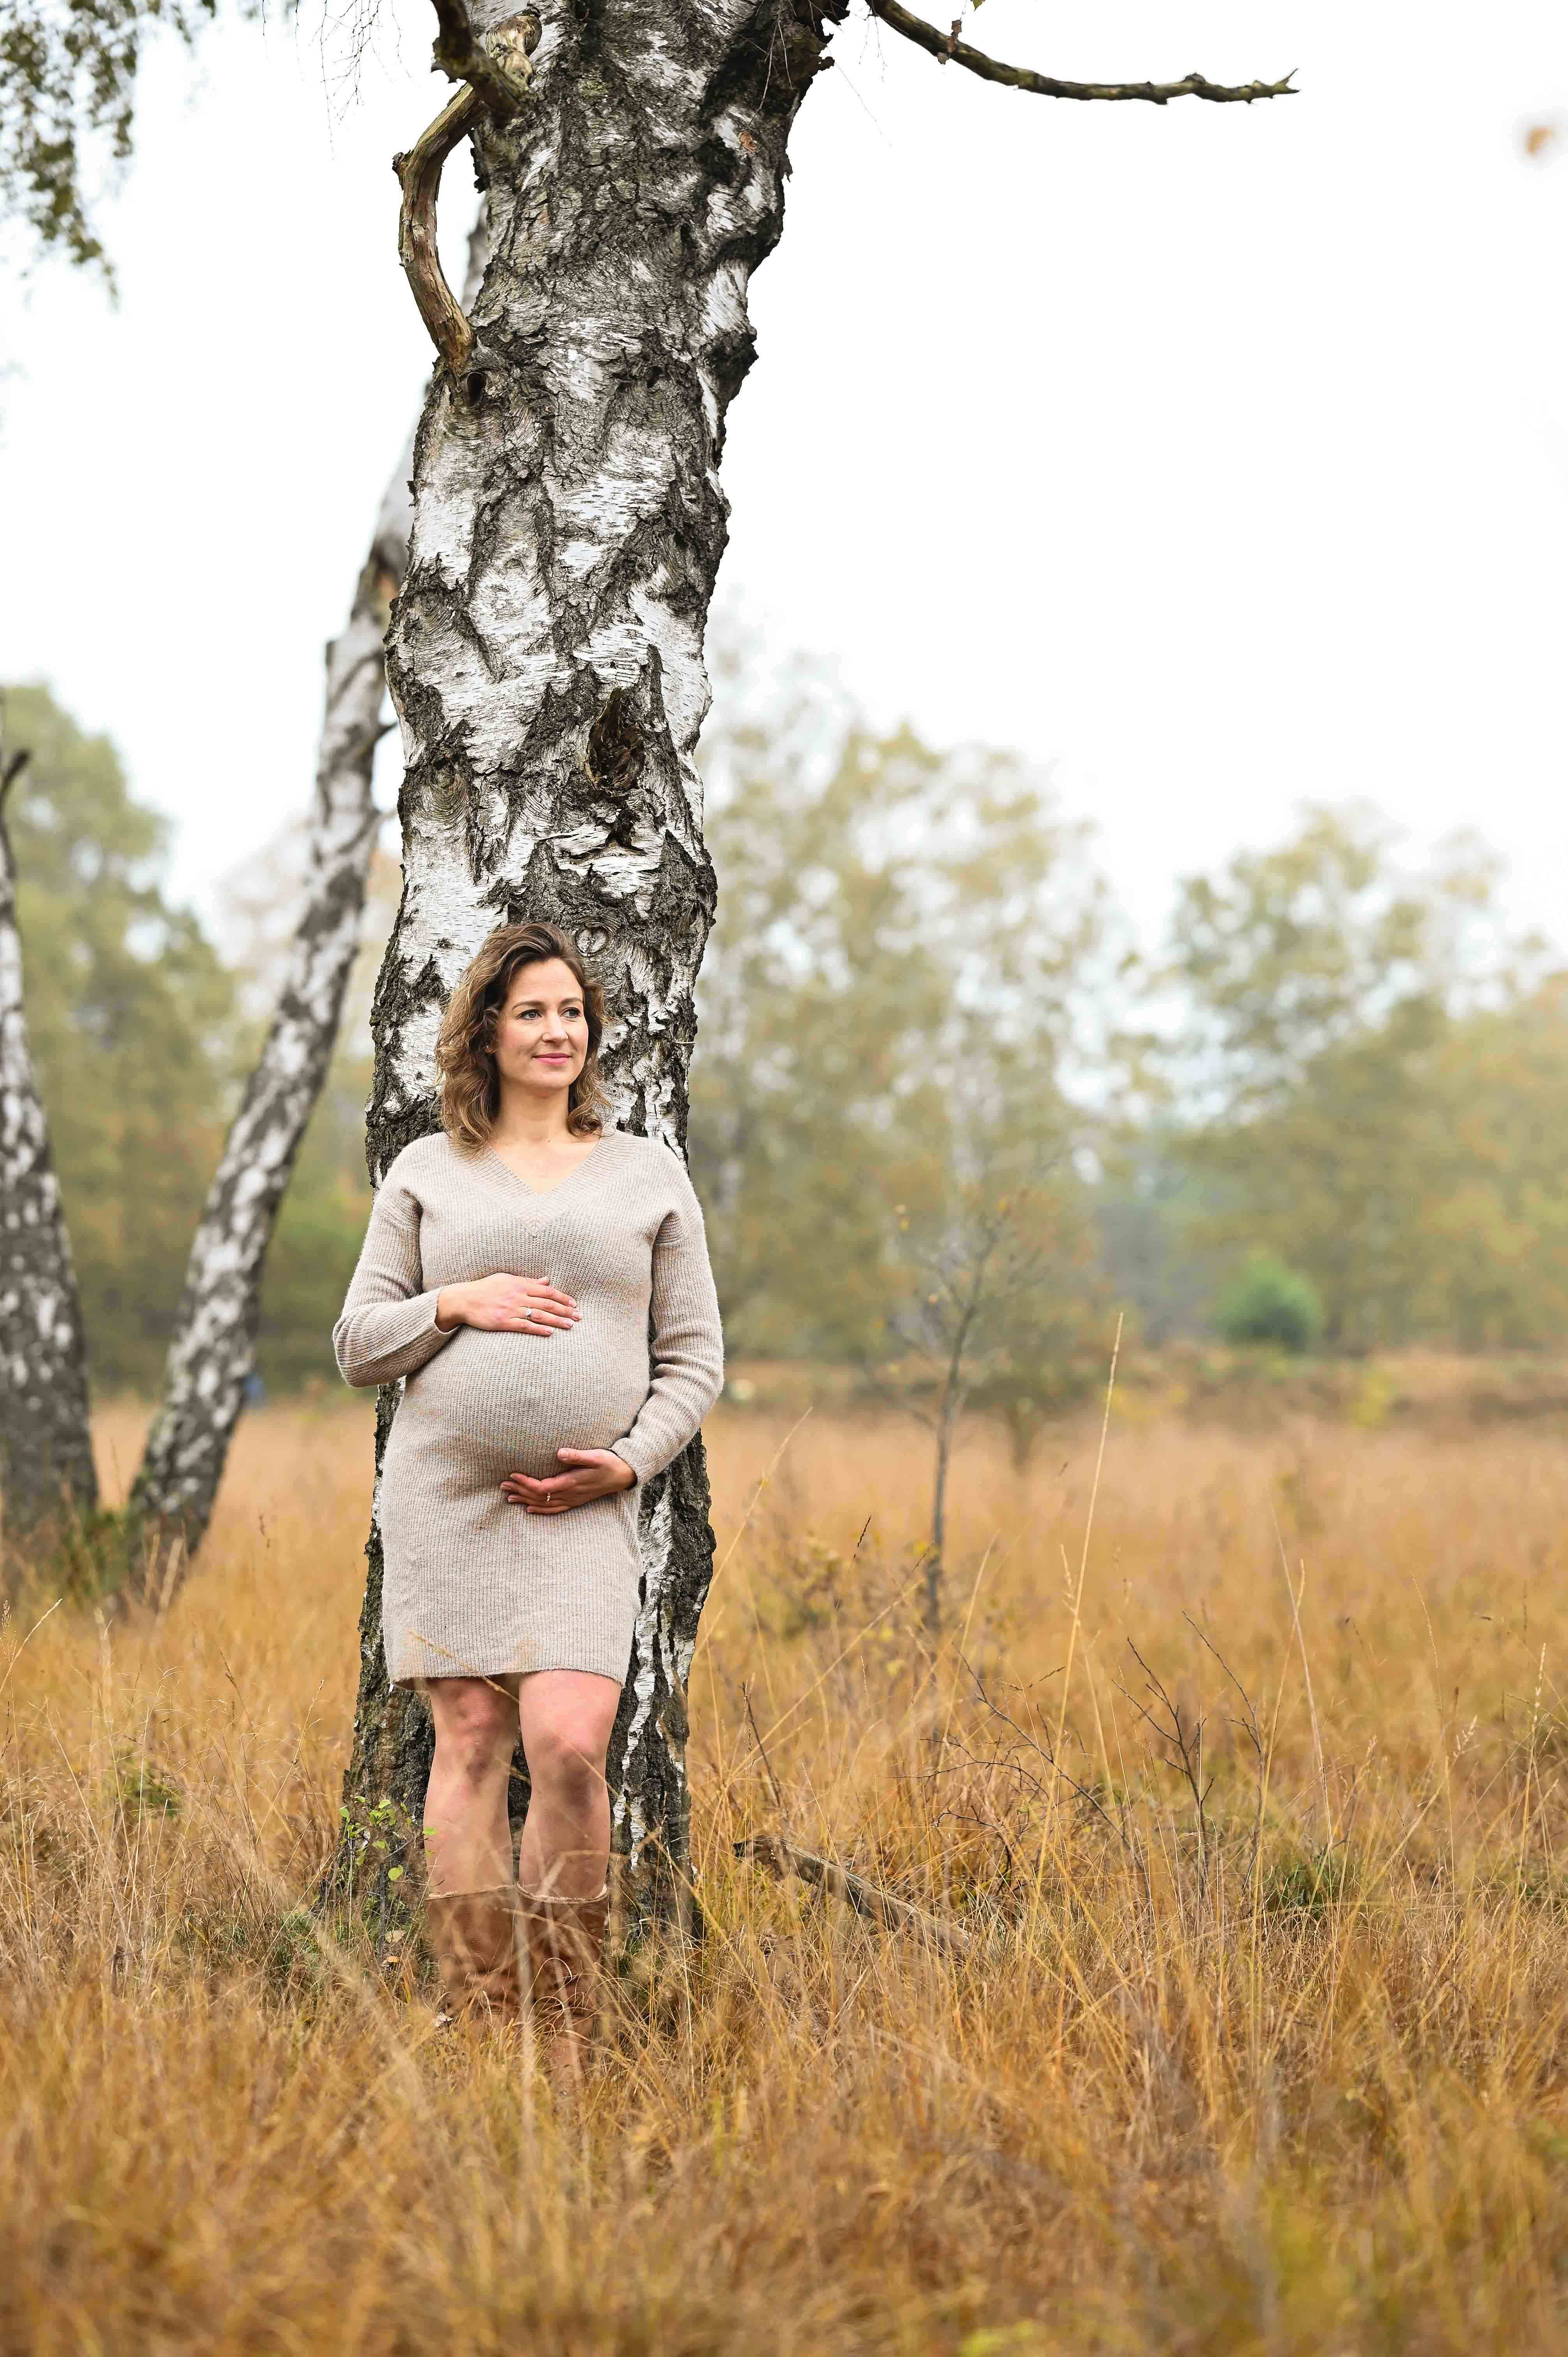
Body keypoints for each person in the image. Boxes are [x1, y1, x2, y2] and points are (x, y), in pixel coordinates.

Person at [333, 920, 723, 2051]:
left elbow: (695, 1358)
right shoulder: (427, 1170)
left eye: (573, 1013)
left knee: (570, 1743)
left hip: (583, 1509)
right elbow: (358, 1344)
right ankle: (482, 2012)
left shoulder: (647, 1174)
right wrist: (456, 1303)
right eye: (533, 1012)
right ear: (489, 1034)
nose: (558, 1032)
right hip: (446, 1503)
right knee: (467, 1740)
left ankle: (564, 2013)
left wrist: (632, 1461)